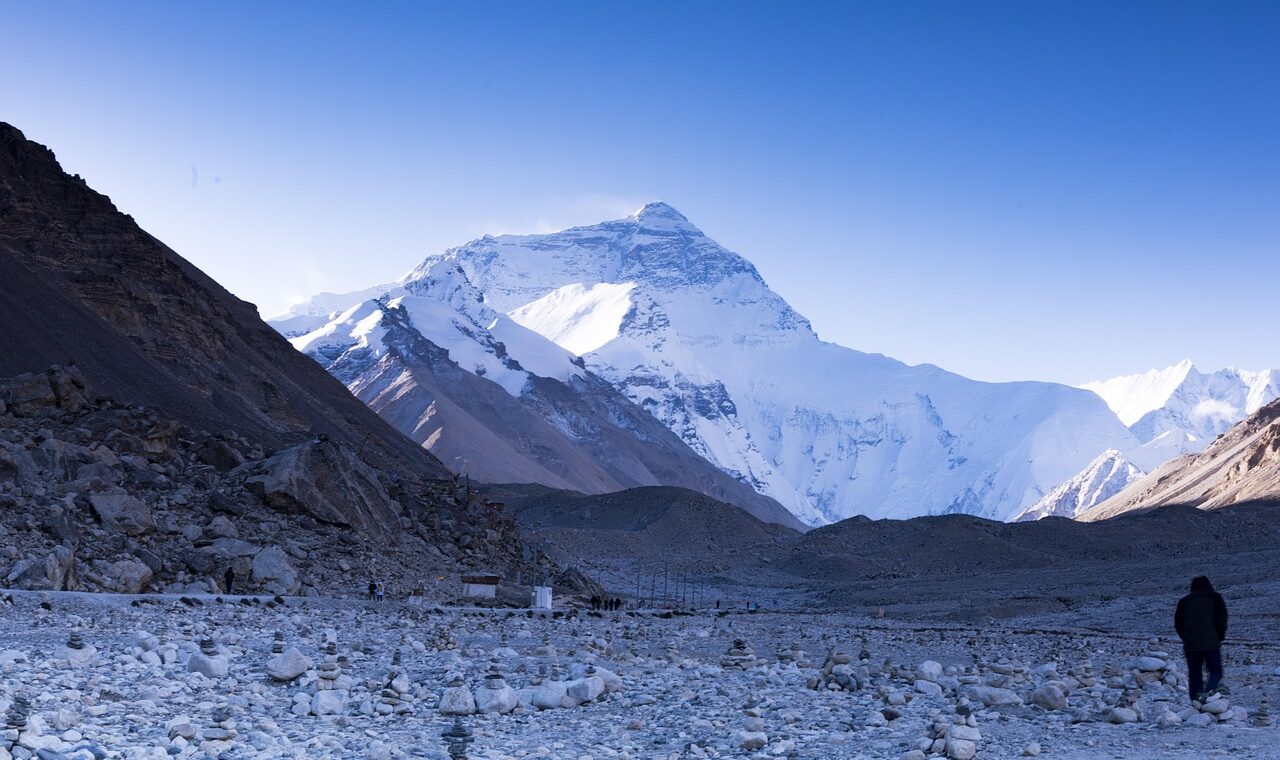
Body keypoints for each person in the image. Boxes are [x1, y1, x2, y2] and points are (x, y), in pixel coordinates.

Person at [1175, 575, 1228, 701]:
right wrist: (1219, 636)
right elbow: (1221, 619)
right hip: (1211, 642)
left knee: (1194, 674)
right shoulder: (1215, 597)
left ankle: (1195, 701)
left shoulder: (1184, 601)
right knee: (1215, 672)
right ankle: (1208, 694)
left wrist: (1185, 637)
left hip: (1191, 643)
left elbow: (1178, 623)